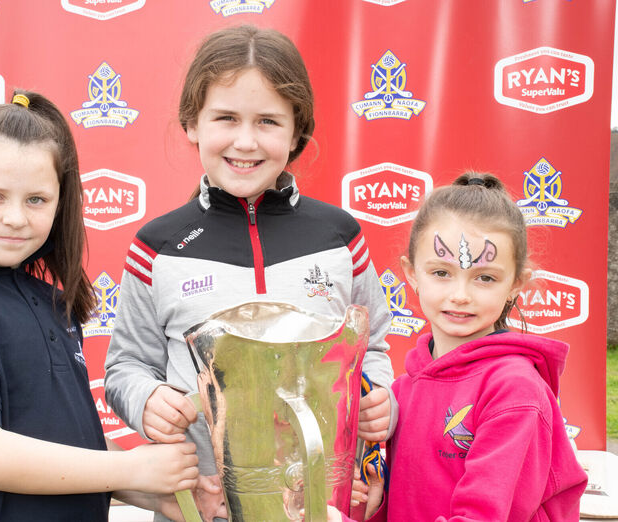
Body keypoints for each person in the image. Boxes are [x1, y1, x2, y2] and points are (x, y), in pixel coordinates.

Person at [104, 25, 396, 521]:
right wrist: (147, 398)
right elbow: (126, 367)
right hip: (202, 507)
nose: (245, 140)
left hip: (320, 508)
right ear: (192, 124)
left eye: (267, 121)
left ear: (297, 130)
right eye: (225, 118)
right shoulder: (157, 246)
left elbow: (373, 352)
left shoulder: (340, 237)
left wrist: (380, 399)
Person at [0, 90, 199, 522]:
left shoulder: (51, 303)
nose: (16, 217)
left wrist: (152, 495)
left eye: (36, 199)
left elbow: (73, 447)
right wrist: (134, 466)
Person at [365, 172, 587, 521]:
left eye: (485, 278)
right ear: (411, 273)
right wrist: (372, 505)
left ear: (516, 283)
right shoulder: (403, 390)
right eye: (441, 272)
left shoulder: (514, 390)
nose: (460, 295)